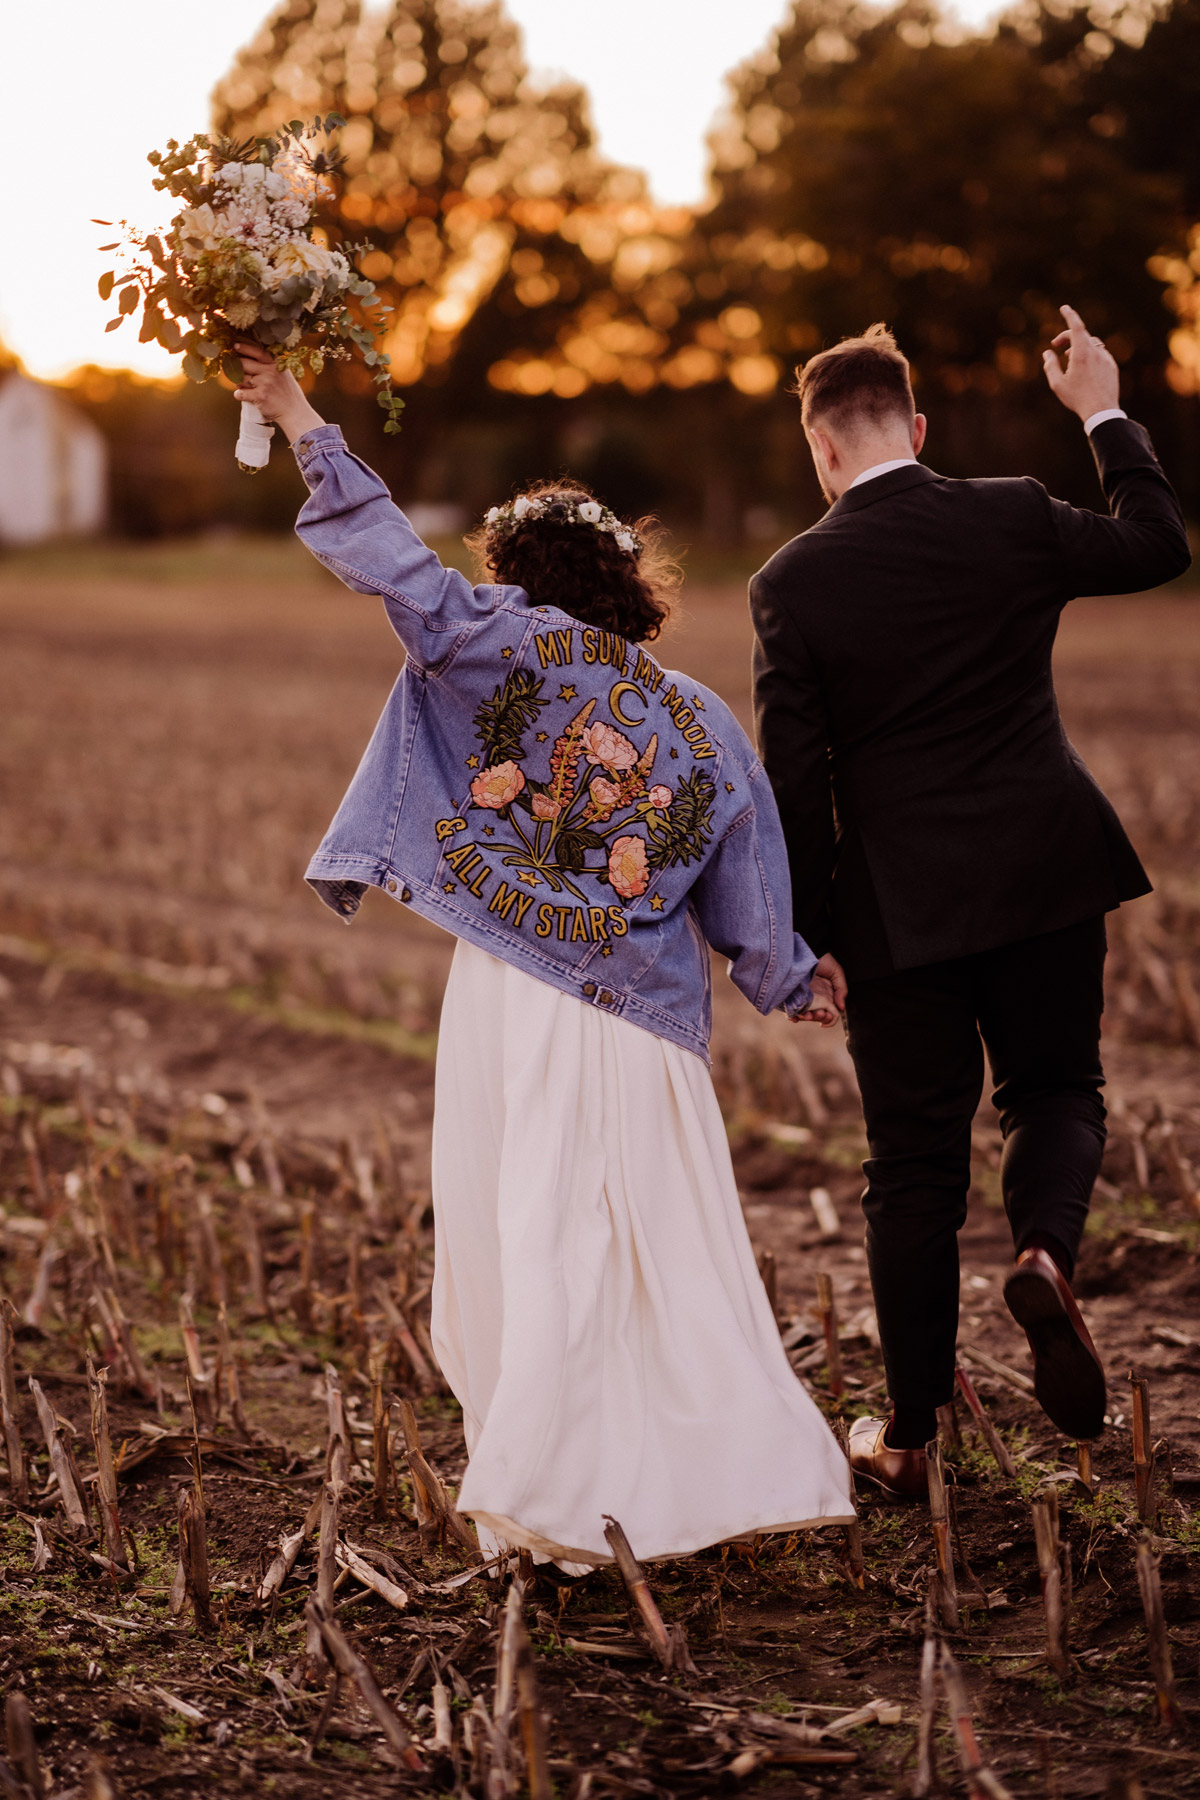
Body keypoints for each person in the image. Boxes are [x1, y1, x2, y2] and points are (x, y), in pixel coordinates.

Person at [233, 344, 856, 1566]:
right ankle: (665, 1480)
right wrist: (792, 977)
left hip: (515, 990)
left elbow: (387, 556)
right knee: (647, 1251)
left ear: (516, 577)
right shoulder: (702, 718)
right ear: (633, 589)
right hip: (647, 1017)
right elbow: (751, 871)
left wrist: (302, 416)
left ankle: (557, 1496)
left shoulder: (486, 640)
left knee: (527, 1228)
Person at [749, 308, 1190, 1497]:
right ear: (919, 427)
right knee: (1056, 1091)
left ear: (822, 449)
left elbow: (796, 781)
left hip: (901, 914)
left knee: (914, 1175)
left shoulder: (793, 580)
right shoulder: (1007, 512)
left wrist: (806, 941)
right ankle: (1046, 1251)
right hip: (1048, 867)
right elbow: (1156, 545)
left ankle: (911, 1438)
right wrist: (1099, 407)